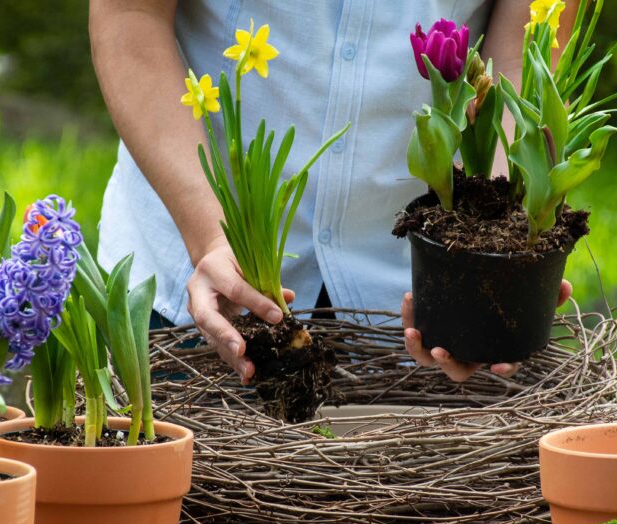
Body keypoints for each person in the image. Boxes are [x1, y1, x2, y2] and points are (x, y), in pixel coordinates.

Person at [89, 0, 574, 383]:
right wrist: (210, 237)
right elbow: (131, 15)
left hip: (415, 289)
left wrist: (497, 253)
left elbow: (525, 55)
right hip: (199, 282)